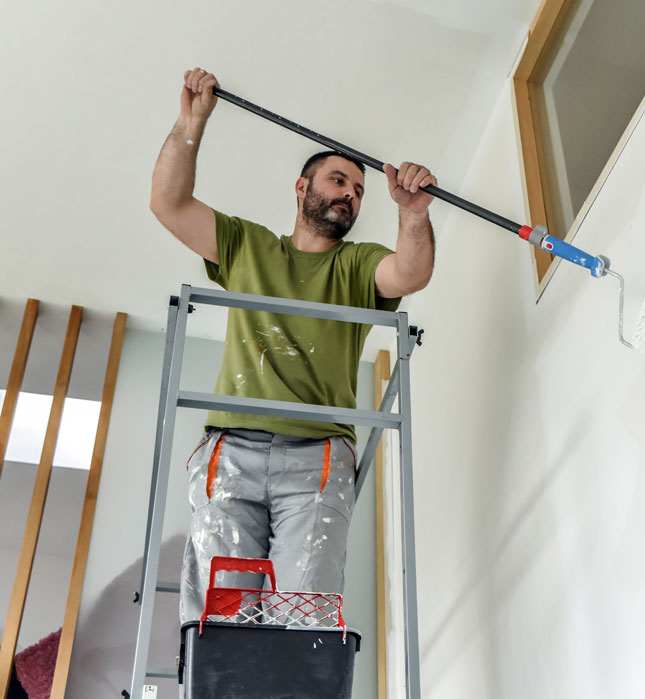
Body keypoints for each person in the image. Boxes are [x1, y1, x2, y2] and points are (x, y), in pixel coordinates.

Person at [150, 68, 436, 626]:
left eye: (356, 190)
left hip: (318, 457)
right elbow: (169, 204)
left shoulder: (355, 263)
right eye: (337, 181)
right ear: (302, 188)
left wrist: (413, 213)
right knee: (224, 614)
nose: (349, 195)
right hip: (232, 450)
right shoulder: (248, 246)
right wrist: (190, 125)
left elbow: (410, 272)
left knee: (303, 615)